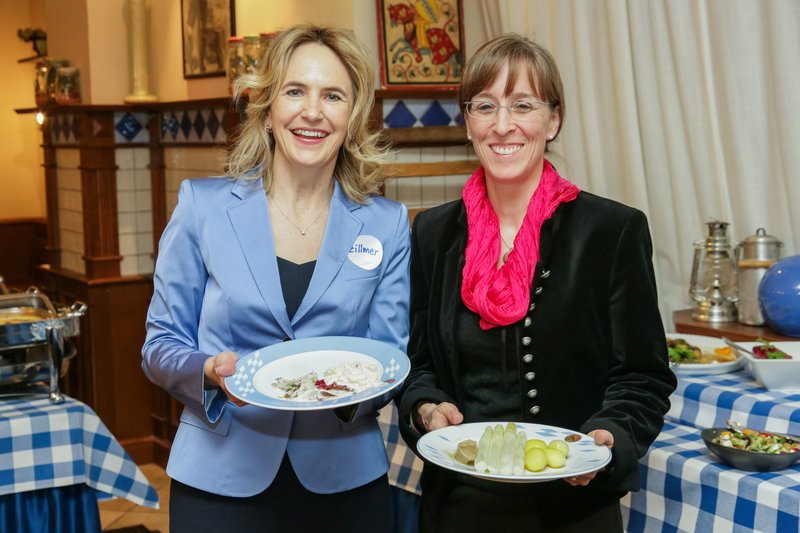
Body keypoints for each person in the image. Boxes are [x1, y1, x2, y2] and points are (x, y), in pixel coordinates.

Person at [397, 34, 677, 532]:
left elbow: (643, 377)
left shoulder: (612, 231)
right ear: (468, 122)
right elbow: (419, 363)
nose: (502, 125)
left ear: (554, 120)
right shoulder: (433, 234)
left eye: (523, 105)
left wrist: (610, 434)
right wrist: (425, 407)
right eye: (485, 106)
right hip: (459, 502)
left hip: (573, 505)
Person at [142, 24, 410, 532]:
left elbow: (389, 354)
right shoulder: (202, 207)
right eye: (295, 91)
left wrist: (346, 390)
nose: (313, 111)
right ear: (266, 110)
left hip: (345, 481)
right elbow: (160, 345)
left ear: (352, 117)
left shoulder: (386, 223)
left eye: (333, 96)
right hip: (220, 481)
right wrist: (209, 371)